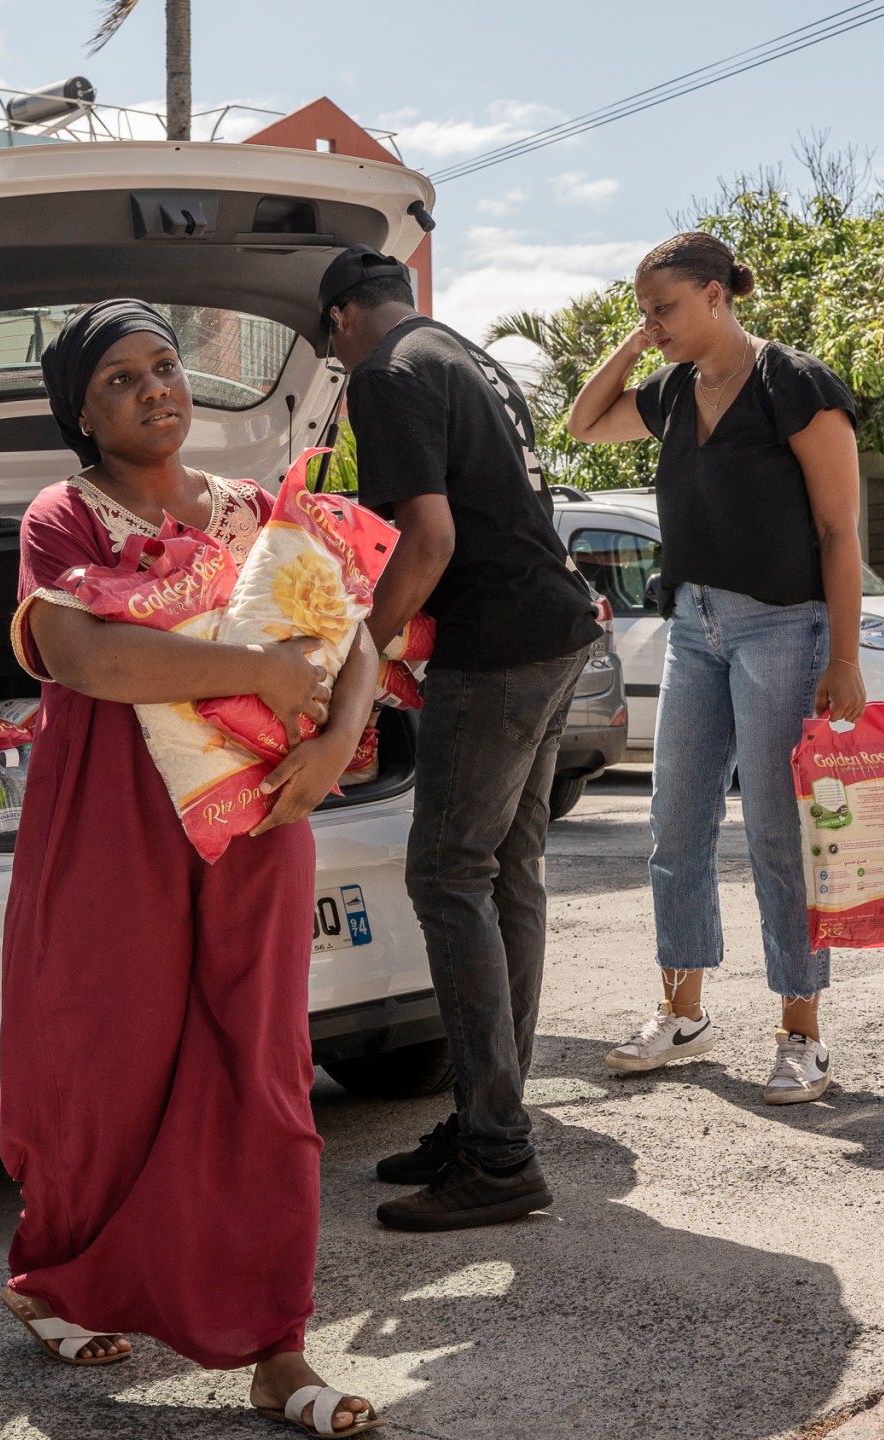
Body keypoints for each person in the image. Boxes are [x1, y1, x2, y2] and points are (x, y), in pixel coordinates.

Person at [0, 299, 387, 1437]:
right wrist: (259, 677)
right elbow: (78, 653)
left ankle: (277, 1346)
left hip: (257, 811)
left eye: (164, 367)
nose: (153, 390)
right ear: (80, 410)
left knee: (261, 1060)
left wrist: (323, 746)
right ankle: (52, 1275)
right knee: (100, 1054)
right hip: (109, 811)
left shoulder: (257, 507)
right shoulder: (62, 514)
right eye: (118, 379)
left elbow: (349, 630)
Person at [324, 247, 605, 1232]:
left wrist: (356, 656)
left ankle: (496, 1152)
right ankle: (490, 1117)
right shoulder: (460, 355)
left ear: (343, 316)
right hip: (557, 627)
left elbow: (429, 543)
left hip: (496, 649)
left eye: (329, 340)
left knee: (448, 874)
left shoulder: (383, 372)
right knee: (507, 871)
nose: (334, 355)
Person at [564, 230, 867, 1105]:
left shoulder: (794, 386)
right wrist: (636, 342)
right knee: (675, 826)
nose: (652, 325)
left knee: (777, 835)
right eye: (643, 311)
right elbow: (584, 422)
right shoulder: (668, 392)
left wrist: (843, 658)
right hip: (692, 626)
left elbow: (842, 532)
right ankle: (683, 1013)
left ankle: (801, 1033)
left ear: (716, 296)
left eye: (663, 309)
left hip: (782, 626)